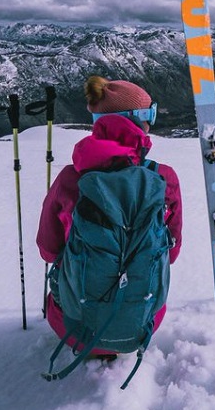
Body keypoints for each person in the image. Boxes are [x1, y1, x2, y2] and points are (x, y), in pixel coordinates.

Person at [35, 76, 183, 357]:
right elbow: (171, 254)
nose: (151, 121)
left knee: (59, 293)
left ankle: (90, 339)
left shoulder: (69, 180)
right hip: (145, 322)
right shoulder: (163, 179)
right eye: (149, 113)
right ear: (136, 121)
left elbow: (48, 251)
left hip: (74, 328)